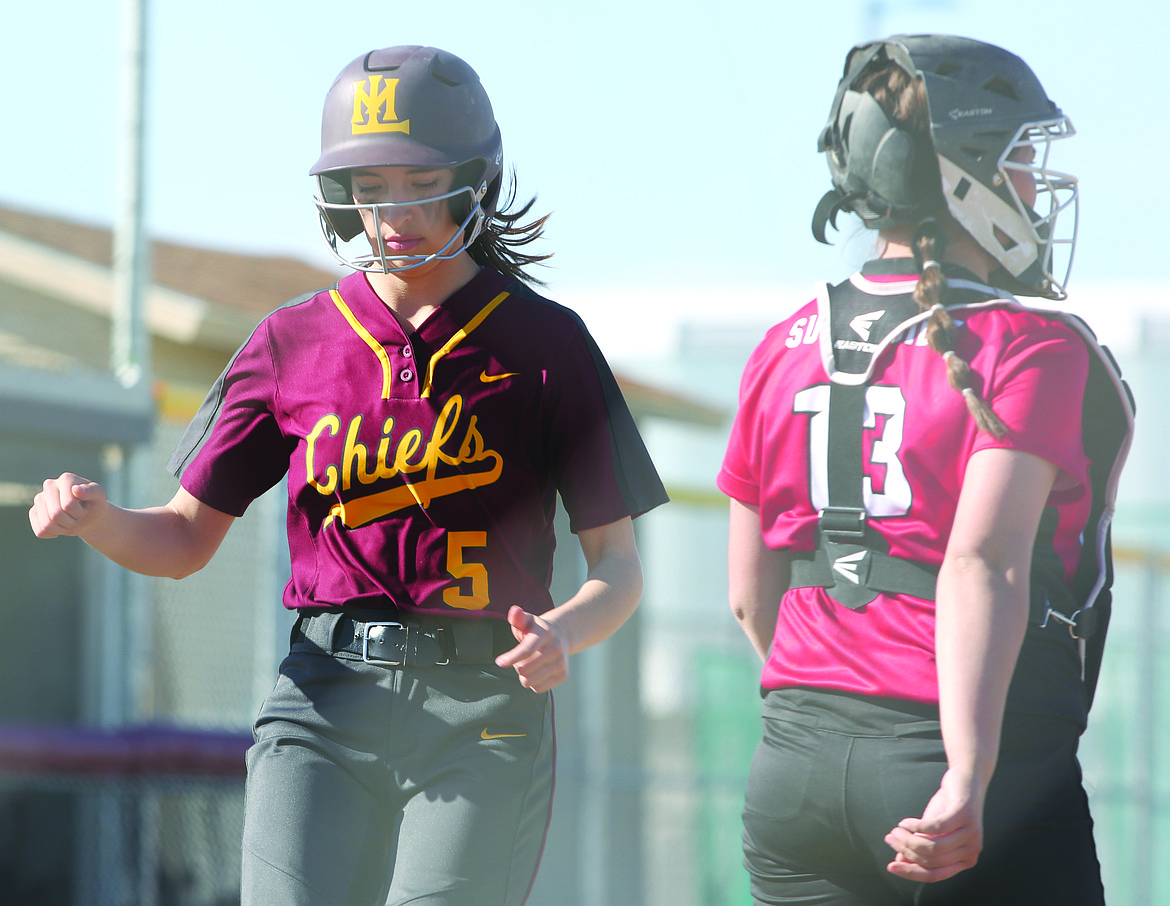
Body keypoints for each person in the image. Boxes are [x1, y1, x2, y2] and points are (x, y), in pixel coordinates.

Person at [29, 45, 668, 906]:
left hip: (482, 711)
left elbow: (618, 569)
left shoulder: (546, 344)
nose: (393, 211)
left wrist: (565, 631)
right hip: (324, 700)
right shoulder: (291, 341)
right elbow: (183, 541)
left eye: (418, 180)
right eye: (370, 187)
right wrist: (95, 520)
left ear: (476, 178)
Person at [717, 35, 1133, 905]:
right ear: (958, 176)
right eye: (1020, 159)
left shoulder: (780, 345)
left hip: (791, 765)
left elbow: (750, 595)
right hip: (960, 754)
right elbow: (985, 562)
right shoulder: (1030, 347)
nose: (1034, 186)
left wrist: (828, 713)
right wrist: (969, 776)